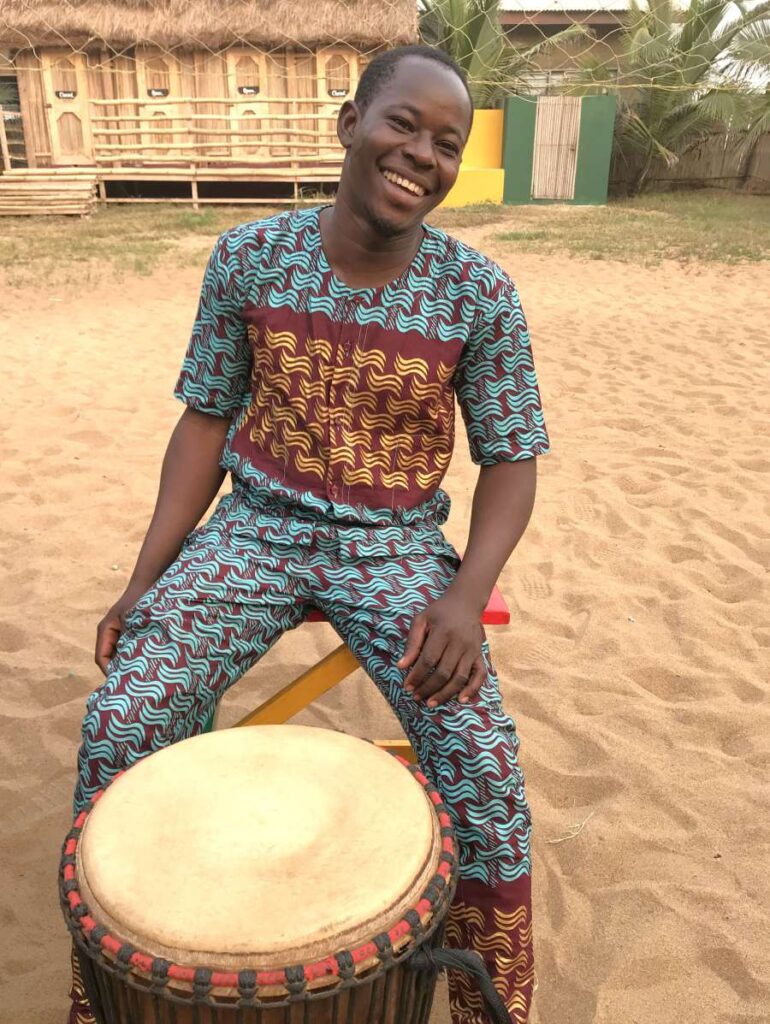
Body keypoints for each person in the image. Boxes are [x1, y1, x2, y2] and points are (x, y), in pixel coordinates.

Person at [69, 44, 549, 1024]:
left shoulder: (476, 294)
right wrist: (142, 583)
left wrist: (461, 598)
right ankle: (114, 993)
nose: (421, 152)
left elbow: (511, 459)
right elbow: (205, 420)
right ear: (348, 125)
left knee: (483, 769)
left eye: (445, 142)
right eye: (401, 123)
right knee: (121, 720)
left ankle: (479, 1001)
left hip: (395, 547)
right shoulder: (247, 258)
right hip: (256, 528)